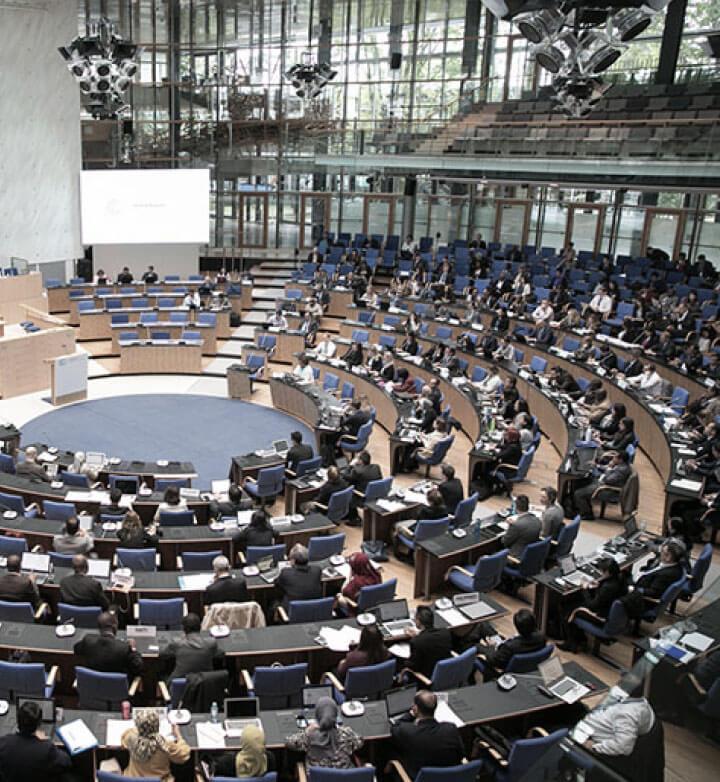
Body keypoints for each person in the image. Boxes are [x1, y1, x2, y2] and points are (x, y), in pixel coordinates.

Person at [390, 690, 465, 780]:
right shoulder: (451, 729)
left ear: (416, 708)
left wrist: (410, 714)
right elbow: (461, 754)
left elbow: (395, 726)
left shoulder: (408, 732)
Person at [561, 558, 628, 652]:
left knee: (569, 609)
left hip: (601, 617)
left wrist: (584, 589)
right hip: (609, 613)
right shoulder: (620, 579)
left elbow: (591, 605)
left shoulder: (607, 588)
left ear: (607, 572)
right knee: (574, 603)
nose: (600, 573)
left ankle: (571, 643)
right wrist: (598, 586)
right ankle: (581, 639)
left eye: (601, 571)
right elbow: (605, 596)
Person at [0, 699, 72, 781]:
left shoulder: (3, 743)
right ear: (39, 723)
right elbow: (66, 762)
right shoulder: (46, 748)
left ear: (18, 721)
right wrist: (43, 741)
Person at [286, 696, 363, 769]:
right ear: (335, 715)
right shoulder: (346, 734)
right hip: (345, 776)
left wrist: (307, 730)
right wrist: (342, 729)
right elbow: (360, 742)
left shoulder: (310, 735)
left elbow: (290, 743)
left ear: (317, 715)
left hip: (317, 776)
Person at [121, 708, 191, 782]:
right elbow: (184, 754)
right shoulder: (165, 744)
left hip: (132, 780)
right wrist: (178, 735)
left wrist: (142, 729)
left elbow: (125, 736)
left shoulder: (131, 738)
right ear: (158, 725)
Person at [621, 540, 686, 619]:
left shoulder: (666, 575)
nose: (660, 552)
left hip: (641, 599)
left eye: (662, 551)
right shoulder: (673, 565)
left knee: (613, 583)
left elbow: (653, 592)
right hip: (642, 580)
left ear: (668, 557)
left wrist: (633, 589)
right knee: (622, 573)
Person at [575, 697, 655, 757]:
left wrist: (593, 747)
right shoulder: (637, 702)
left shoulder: (627, 714)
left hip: (581, 731)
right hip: (586, 714)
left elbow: (623, 747)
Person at [476, 609, 546, 678]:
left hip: (500, 667)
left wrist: (492, 646)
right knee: (484, 626)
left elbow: (494, 661)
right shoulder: (541, 638)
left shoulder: (510, 647)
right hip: (519, 659)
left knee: (477, 646)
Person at [73, 611, 143, 676]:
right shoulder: (124, 648)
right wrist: (133, 648)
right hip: (116, 685)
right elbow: (138, 667)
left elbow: (76, 648)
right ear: (114, 627)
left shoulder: (88, 640)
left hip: (90, 684)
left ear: (99, 627)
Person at [159, 612, 224, 680]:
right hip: (204, 682)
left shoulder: (177, 643)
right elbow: (221, 654)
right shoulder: (211, 643)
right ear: (200, 627)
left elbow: (162, 654)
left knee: (161, 674)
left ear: (184, 629)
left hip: (180, 683)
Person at [573, 450, 632, 520]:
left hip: (608, 490)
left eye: (615, 457)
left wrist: (609, 468)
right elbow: (607, 470)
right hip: (603, 483)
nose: (613, 459)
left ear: (620, 460)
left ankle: (587, 514)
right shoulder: (620, 465)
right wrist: (596, 465)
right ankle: (583, 508)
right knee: (581, 483)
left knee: (579, 493)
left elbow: (608, 480)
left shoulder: (622, 470)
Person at [405, 605, 453, 680]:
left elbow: (414, 667)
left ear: (418, 621)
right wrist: (418, 635)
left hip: (427, 678)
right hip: (446, 673)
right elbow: (429, 638)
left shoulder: (416, 641)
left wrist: (404, 662)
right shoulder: (445, 632)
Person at [276, 543, 322, 608]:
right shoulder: (317, 570)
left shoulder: (286, 573)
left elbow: (277, 584)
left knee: (273, 604)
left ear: (293, 560)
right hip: (314, 609)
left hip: (293, 611)